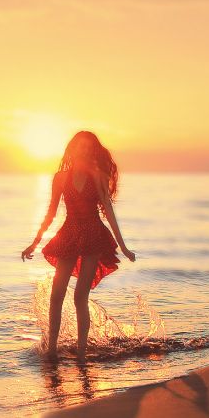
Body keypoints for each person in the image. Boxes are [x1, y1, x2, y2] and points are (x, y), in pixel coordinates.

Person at [21, 131, 136, 361]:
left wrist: (123, 246)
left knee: (80, 296)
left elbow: (108, 211)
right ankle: (51, 350)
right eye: (79, 146)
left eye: (88, 146)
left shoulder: (98, 176)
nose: (83, 150)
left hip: (93, 234)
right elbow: (51, 212)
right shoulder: (60, 178)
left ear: (92, 150)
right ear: (72, 149)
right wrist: (35, 242)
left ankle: (82, 354)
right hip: (70, 234)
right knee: (57, 293)